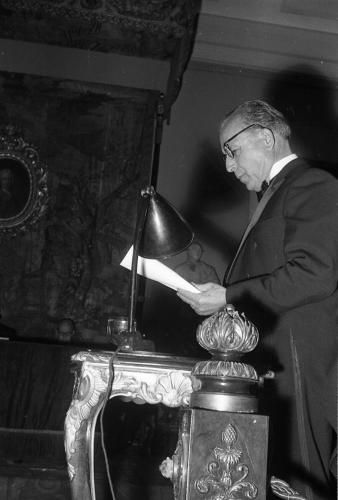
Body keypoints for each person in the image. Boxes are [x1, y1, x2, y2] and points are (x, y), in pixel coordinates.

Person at [177, 99, 338, 499]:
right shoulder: (277, 193)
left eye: (232, 151)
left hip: (300, 369)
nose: (229, 166)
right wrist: (219, 291)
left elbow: (315, 274)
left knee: (301, 486)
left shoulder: (311, 183)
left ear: (265, 138)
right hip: (277, 367)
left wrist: (229, 295)